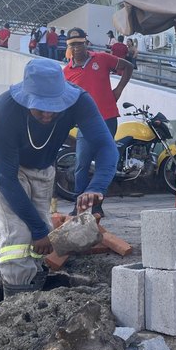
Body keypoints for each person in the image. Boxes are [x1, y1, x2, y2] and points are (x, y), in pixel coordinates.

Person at [0, 59, 117, 298]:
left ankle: (34, 279)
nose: (47, 114)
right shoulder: (6, 110)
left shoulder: (80, 101)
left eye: (53, 107)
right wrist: (36, 229)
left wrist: (96, 187)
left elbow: (107, 147)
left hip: (43, 164)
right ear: (26, 98)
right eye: (39, 107)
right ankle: (16, 297)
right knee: (20, 231)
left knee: (43, 228)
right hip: (3, 162)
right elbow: (7, 179)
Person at [63, 27, 134, 217]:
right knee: (81, 165)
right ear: (68, 47)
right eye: (73, 45)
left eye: (79, 43)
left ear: (86, 42)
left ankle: (97, 205)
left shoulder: (102, 59)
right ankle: (79, 204)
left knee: (104, 163)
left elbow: (128, 66)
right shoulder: (66, 73)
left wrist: (118, 90)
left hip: (108, 118)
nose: (77, 48)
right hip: (85, 125)